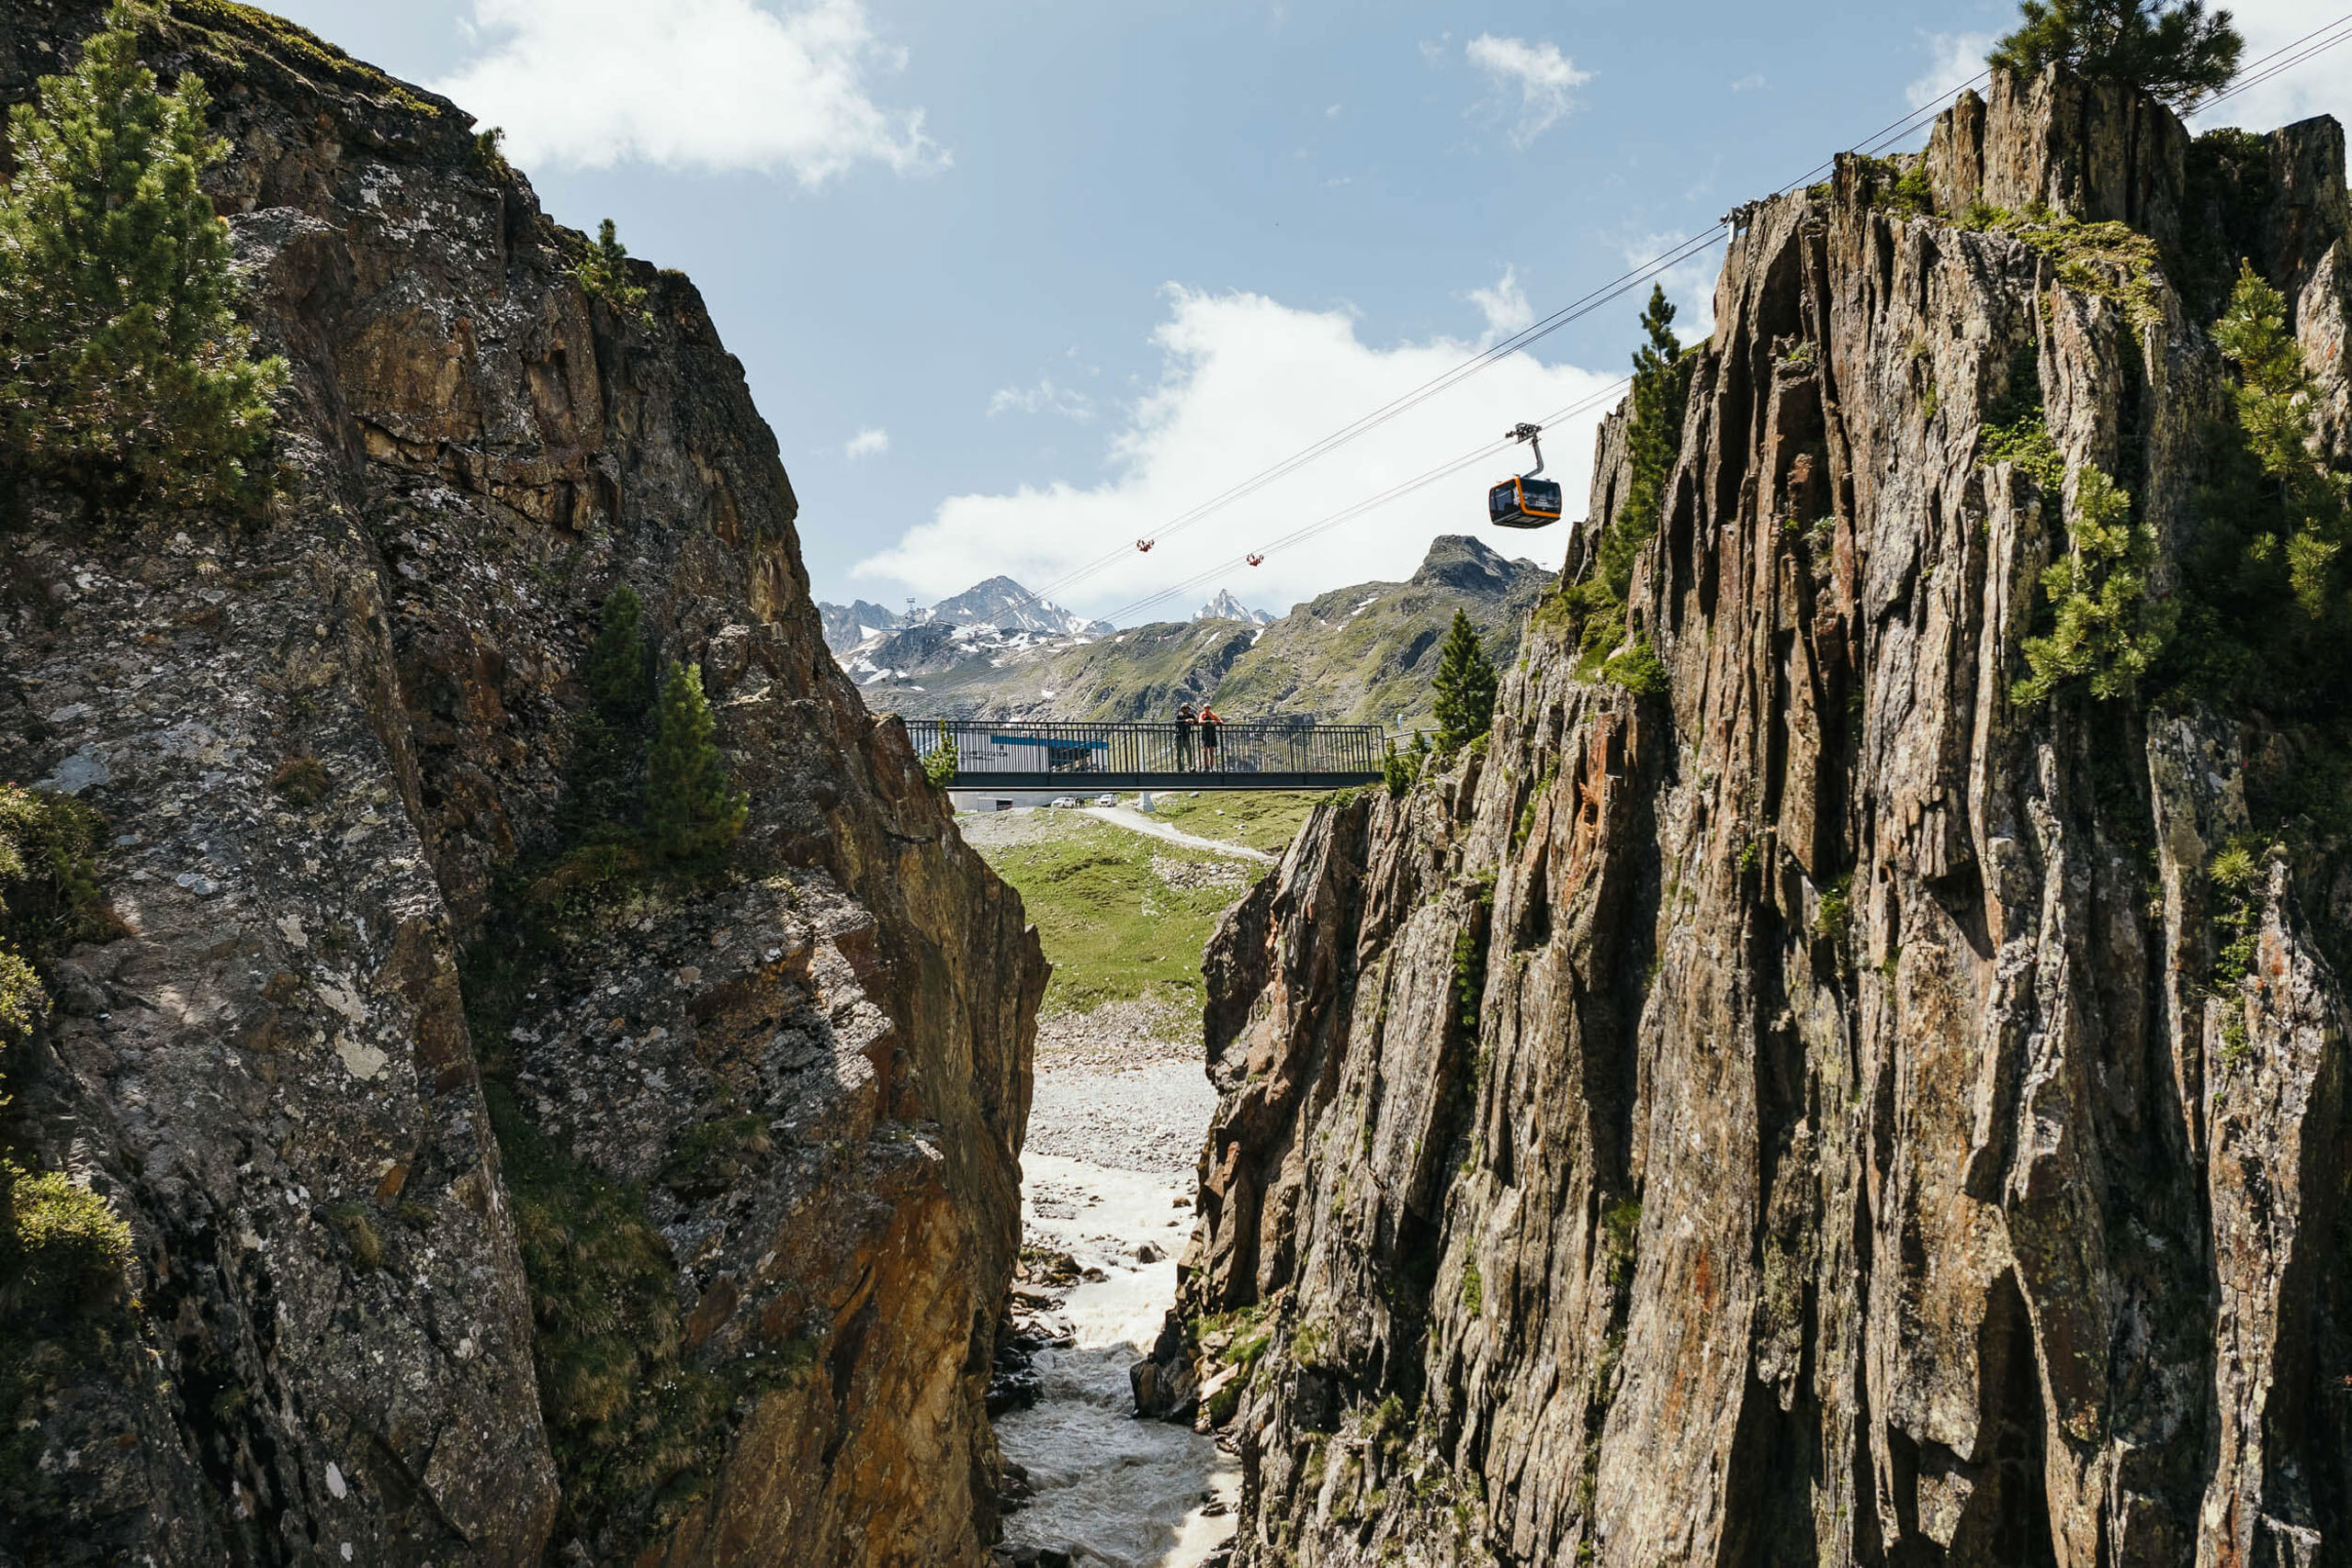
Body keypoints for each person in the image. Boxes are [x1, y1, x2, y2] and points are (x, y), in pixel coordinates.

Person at [1198, 703, 1223, 770]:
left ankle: (1211, 767)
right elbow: (1200, 721)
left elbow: (1221, 722)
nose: (1207, 709)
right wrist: (1210, 721)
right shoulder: (1202, 714)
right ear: (1203, 708)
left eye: (1208, 707)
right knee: (1205, 752)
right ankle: (1207, 767)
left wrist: (1216, 722)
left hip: (1212, 735)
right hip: (1205, 735)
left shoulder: (1212, 715)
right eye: (1205, 707)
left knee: (1212, 752)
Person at [1174, 702, 1196, 771]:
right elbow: (1177, 722)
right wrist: (1185, 721)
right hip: (1179, 736)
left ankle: (1190, 766)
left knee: (1189, 751)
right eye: (1184, 708)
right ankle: (1180, 767)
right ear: (1182, 709)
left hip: (1186, 736)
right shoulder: (1179, 716)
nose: (1186, 709)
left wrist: (1192, 721)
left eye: (1187, 708)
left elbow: (1196, 721)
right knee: (1178, 752)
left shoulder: (1191, 716)